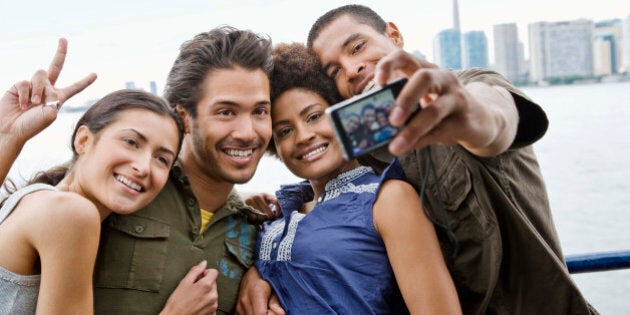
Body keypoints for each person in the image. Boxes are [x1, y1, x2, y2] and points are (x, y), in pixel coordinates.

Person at [238, 4, 597, 315]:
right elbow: (327, 182)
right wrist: (269, 254)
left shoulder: (467, 87)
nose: (351, 68)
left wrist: (472, 115)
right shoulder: (368, 144)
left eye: (357, 47)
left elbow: (495, 120)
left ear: (393, 35)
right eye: (334, 71)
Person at [257, 42, 461, 314]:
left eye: (315, 116)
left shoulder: (388, 198)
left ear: (344, 114)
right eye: (284, 131)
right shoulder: (276, 213)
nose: (303, 136)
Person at [92, 26, 276, 314]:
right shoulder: (123, 187)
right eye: (226, 111)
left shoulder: (255, 230)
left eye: (260, 111)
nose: (247, 132)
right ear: (183, 118)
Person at [0, 41, 185, 313]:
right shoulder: (72, 213)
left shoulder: (34, 201)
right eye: (131, 142)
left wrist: (9, 138)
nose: (144, 166)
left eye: (162, 159)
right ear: (84, 140)